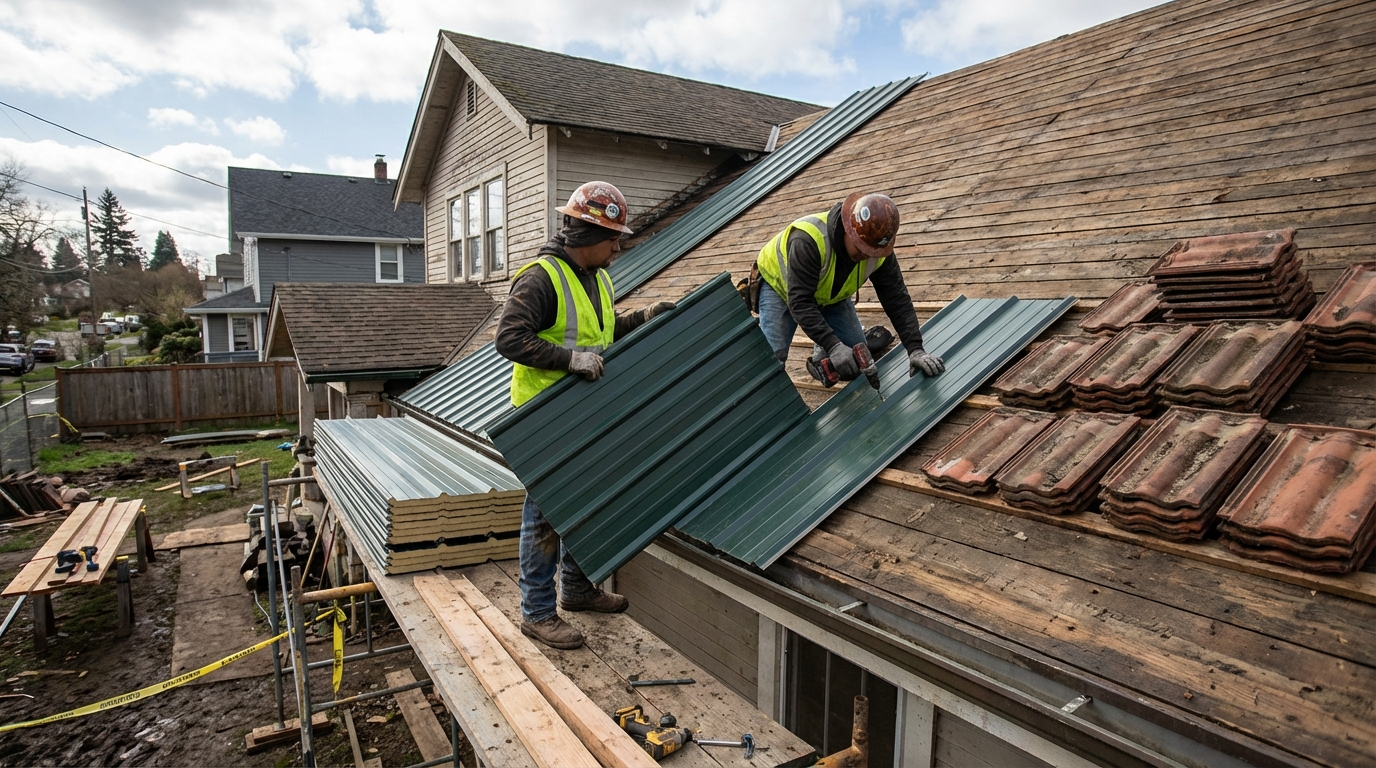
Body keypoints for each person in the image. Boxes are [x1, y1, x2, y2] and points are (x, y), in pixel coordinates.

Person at [494, 181, 675, 650]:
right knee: (545, 516)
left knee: (584, 503)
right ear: (585, 234)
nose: (618, 246)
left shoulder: (597, 276)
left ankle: (575, 590)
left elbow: (602, 329)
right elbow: (509, 340)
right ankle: (536, 612)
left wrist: (643, 317)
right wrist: (568, 360)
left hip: (580, 413)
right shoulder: (540, 278)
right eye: (613, 237)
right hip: (543, 417)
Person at [754, 192, 945, 384]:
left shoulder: (878, 249)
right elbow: (800, 302)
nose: (865, 255)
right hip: (780, 286)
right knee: (773, 356)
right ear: (848, 229)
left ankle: (821, 355)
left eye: (870, 251)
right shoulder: (808, 241)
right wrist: (834, 345)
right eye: (861, 247)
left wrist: (915, 349)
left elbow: (897, 299)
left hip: (829, 294)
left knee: (855, 359)